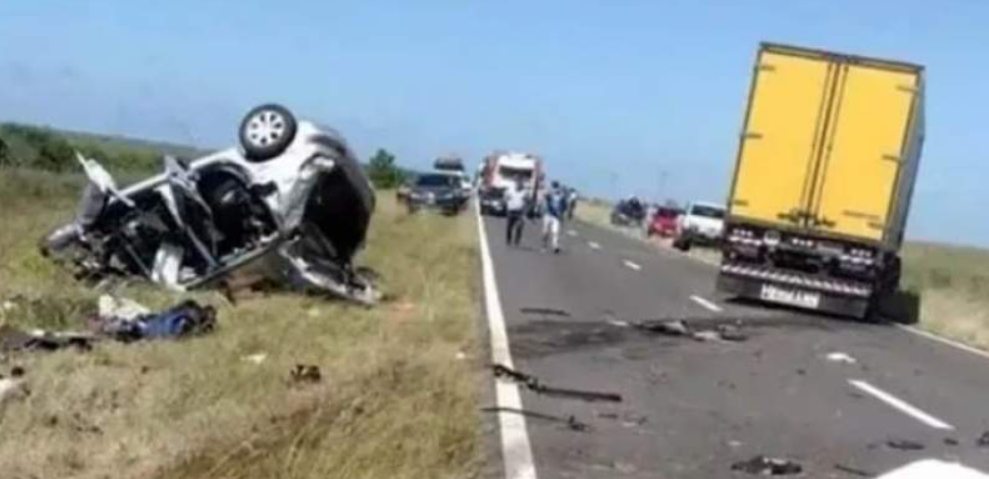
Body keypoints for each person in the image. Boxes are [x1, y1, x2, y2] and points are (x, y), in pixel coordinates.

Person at [542, 182, 568, 253]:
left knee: (555, 232)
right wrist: (547, 192)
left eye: (556, 187)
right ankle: (544, 245)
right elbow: (544, 196)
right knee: (545, 232)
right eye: (553, 187)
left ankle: (555, 246)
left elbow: (565, 207)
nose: (555, 189)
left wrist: (562, 214)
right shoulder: (549, 195)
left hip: (556, 217)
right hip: (548, 215)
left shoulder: (562, 197)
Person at [504, 179, 527, 247]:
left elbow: (528, 201)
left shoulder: (524, 192)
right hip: (511, 211)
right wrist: (506, 199)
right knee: (509, 227)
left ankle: (517, 241)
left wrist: (525, 211)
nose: (518, 185)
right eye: (517, 184)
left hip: (520, 212)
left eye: (520, 184)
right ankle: (508, 239)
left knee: (519, 227)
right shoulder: (510, 190)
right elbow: (505, 198)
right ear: (515, 184)